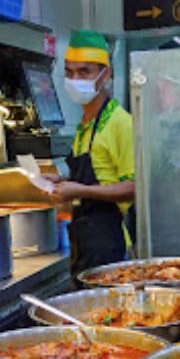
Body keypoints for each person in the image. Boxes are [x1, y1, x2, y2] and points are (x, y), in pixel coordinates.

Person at [51, 30, 136, 280]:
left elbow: (133, 187)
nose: (74, 78)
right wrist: (61, 183)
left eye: (84, 71)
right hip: (84, 241)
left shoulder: (121, 123)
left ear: (105, 75)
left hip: (111, 244)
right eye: (69, 71)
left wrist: (79, 190)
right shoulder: (84, 125)